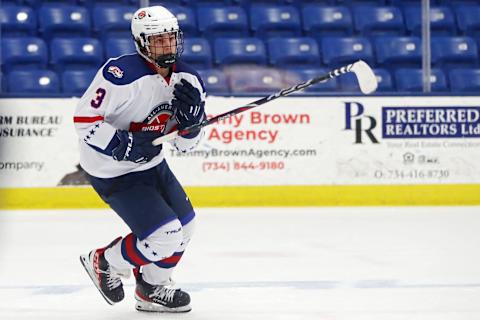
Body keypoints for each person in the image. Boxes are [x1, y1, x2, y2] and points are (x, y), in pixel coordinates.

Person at [75, 5, 206, 313]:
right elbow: (84, 120)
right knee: (165, 235)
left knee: (185, 228)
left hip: (153, 165)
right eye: (158, 40)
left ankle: (151, 287)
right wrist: (123, 146)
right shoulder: (119, 75)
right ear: (141, 43)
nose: (167, 46)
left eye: (171, 39)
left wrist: (191, 124)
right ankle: (104, 261)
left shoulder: (189, 80)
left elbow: (187, 146)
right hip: (112, 170)